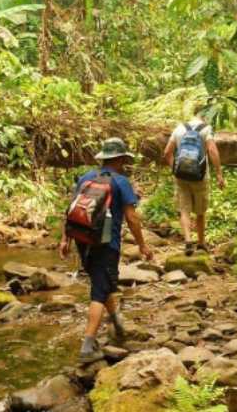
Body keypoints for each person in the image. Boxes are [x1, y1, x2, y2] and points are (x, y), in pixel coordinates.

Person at [59, 138, 153, 365]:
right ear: (120, 159)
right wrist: (142, 245)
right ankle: (87, 345)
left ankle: (117, 322)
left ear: (103, 159)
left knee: (103, 281)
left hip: (83, 239)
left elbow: (70, 210)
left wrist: (65, 239)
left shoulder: (85, 178)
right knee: (99, 291)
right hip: (106, 243)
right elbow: (131, 217)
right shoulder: (121, 182)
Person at [163, 110, 225, 256]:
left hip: (181, 176)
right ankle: (201, 243)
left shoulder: (179, 128)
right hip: (200, 177)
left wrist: (175, 169)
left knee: (184, 209)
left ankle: (188, 240)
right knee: (200, 211)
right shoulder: (206, 129)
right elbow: (212, 150)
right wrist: (219, 174)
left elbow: (167, 152)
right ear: (204, 115)